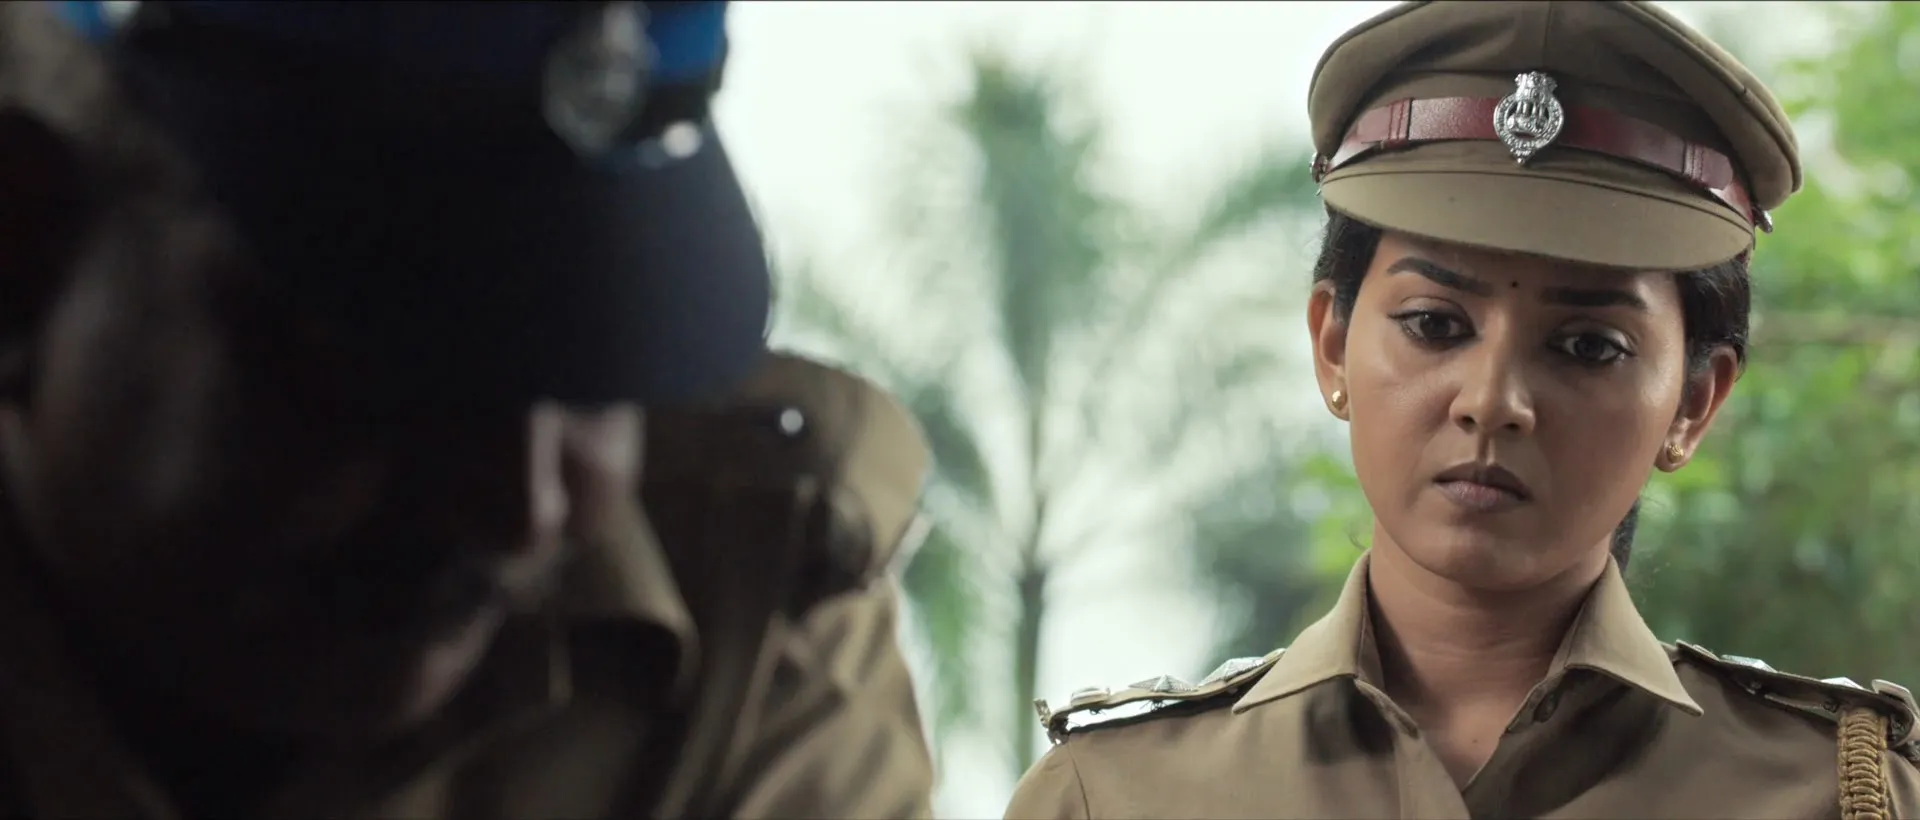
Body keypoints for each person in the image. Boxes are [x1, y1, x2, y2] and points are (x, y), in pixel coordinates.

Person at [0, 2, 933, 817]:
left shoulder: (749, 605)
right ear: (27, 247)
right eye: (396, 356)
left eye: (593, 360)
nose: (526, 505)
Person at [1004, 2, 1920, 818]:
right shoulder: (1116, 797)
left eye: (1589, 347)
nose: (1492, 402)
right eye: (1435, 324)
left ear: (1693, 401)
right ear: (1332, 344)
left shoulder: (1844, 797)